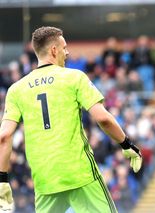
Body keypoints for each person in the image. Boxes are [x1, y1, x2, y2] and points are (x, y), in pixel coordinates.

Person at [0, 26, 142, 213]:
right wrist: (126, 144)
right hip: (80, 174)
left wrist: (2, 180)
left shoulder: (16, 90)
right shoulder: (74, 78)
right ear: (53, 50)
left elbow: (4, 137)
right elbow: (103, 119)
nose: (67, 52)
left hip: (45, 180)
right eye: (64, 47)